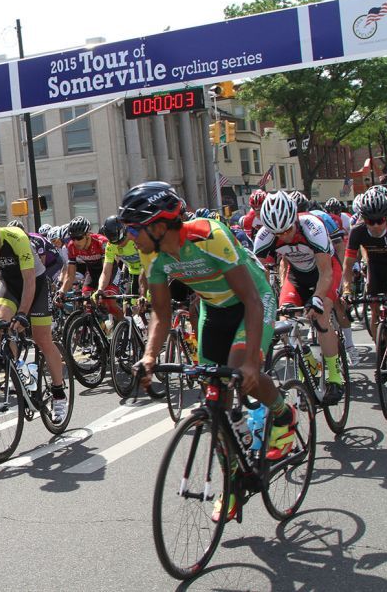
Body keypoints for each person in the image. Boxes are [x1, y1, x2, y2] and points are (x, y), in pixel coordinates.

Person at [119, 182, 292, 521]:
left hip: (251, 302)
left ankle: (284, 416)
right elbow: (162, 313)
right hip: (213, 311)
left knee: (245, 374)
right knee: (215, 398)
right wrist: (151, 356)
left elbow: (252, 300)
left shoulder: (208, 235)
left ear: (158, 225)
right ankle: (233, 481)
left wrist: (252, 362)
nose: (129, 236)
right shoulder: (150, 253)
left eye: (133, 228)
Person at [0, 205, 69, 423]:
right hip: (9, 284)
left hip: (35, 284)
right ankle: (21, 374)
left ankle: (58, 393)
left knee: (42, 338)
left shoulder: (16, 238)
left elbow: (29, 280)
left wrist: (23, 314)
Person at [255, 191, 344, 404]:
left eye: (287, 230)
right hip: (297, 276)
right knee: (284, 322)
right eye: (277, 234)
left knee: (321, 316)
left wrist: (317, 298)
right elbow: (257, 275)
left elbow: (326, 272)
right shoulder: (264, 237)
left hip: (325, 272)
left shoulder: (312, 227)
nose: (283, 236)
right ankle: (308, 364)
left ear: (295, 218)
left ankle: (334, 375)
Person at [344, 188, 387, 355]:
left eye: (380, 220)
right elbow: (348, 265)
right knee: (374, 308)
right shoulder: (357, 232)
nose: (375, 226)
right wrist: (346, 289)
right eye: (370, 221)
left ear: (386, 217)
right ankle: (382, 350)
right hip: (376, 268)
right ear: (363, 219)